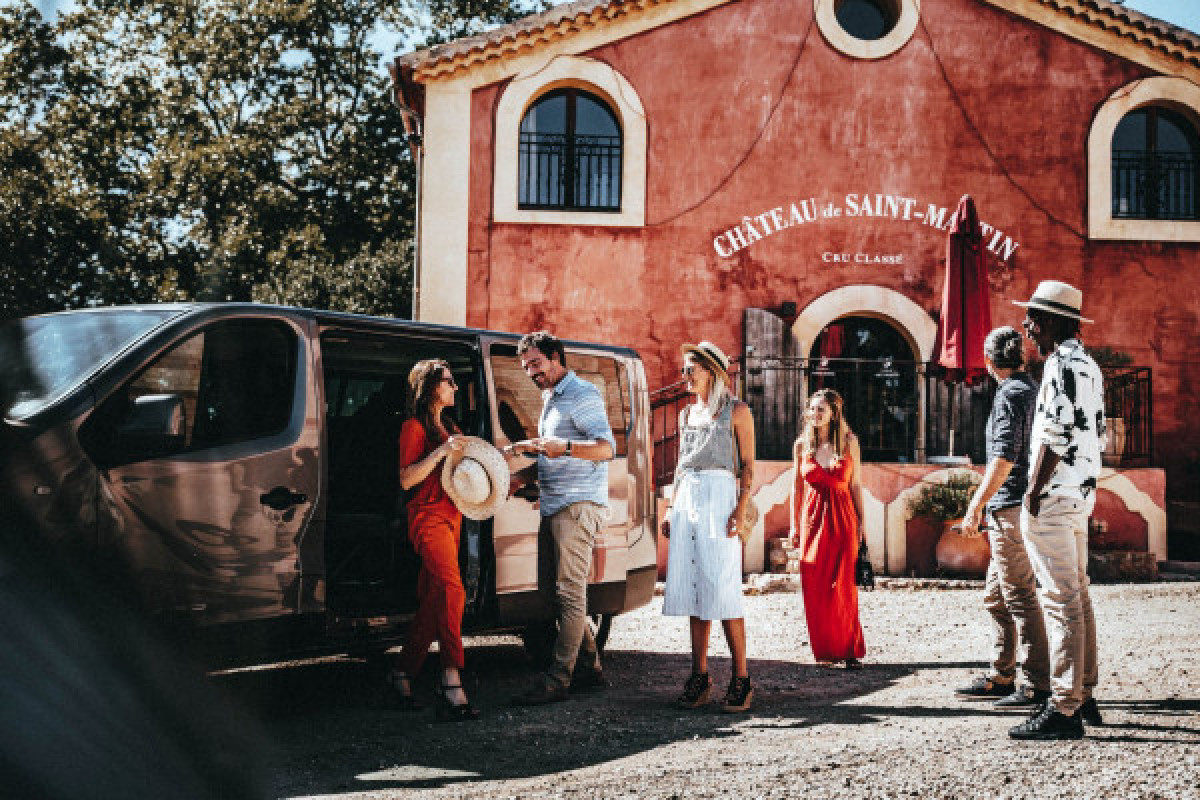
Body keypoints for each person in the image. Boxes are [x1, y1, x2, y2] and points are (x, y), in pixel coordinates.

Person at [1009, 280, 1106, 741]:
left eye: (1032, 318)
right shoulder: (1089, 365)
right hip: (1080, 493)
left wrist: (1032, 491)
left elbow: (1055, 432)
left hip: (1053, 495)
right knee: (1078, 594)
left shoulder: (1058, 365)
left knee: (1060, 599)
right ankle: (1084, 694)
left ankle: (1064, 706)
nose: (1027, 327)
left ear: (1049, 321)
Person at [507, 331, 616, 705]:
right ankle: (592, 669)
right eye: (526, 368)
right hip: (554, 505)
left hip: (577, 505)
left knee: (569, 595)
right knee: (557, 596)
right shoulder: (550, 398)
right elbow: (552, 456)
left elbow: (605, 448)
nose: (531, 373)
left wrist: (565, 446)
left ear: (556, 358)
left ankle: (557, 680)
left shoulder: (582, 394)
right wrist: (521, 478)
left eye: (536, 364)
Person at [955, 327, 1050, 709]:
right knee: (997, 597)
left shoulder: (1010, 395)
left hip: (1010, 506)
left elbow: (1004, 457)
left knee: (1020, 596)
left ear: (989, 361)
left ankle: (1037, 684)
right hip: (1018, 505)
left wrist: (975, 504)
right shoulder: (1033, 389)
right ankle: (1001, 672)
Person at [661, 341, 757, 713]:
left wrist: (741, 506)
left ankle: (741, 677)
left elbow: (748, 463)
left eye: (691, 369)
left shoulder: (737, 411)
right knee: (693, 584)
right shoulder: (687, 415)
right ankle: (699, 676)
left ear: (712, 371)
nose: (685, 376)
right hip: (688, 498)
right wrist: (670, 508)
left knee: (723, 583)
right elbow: (681, 467)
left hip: (720, 496)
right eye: (684, 370)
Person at [387, 359, 478, 721]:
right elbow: (407, 479)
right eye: (449, 382)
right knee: (454, 591)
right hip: (427, 519)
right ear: (429, 388)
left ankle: (402, 673)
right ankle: (451, 678)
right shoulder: (414, 427)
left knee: (433, 599)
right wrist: (442, 451)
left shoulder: (449, 425)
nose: (455, 387)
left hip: (451, 517)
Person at [792, 388, 866, 668]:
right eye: (812, 408)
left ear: (834, 414)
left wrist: (862, 524)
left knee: (844, 587)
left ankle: (848, 650)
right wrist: (793, 527)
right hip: (812, 522)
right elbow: (796, 488)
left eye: (822, 409)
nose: (816, 413)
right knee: (815, 586)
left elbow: (856, 485)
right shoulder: (801, 446)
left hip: (844, 520)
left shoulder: (849, 443)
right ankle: (824, 651)